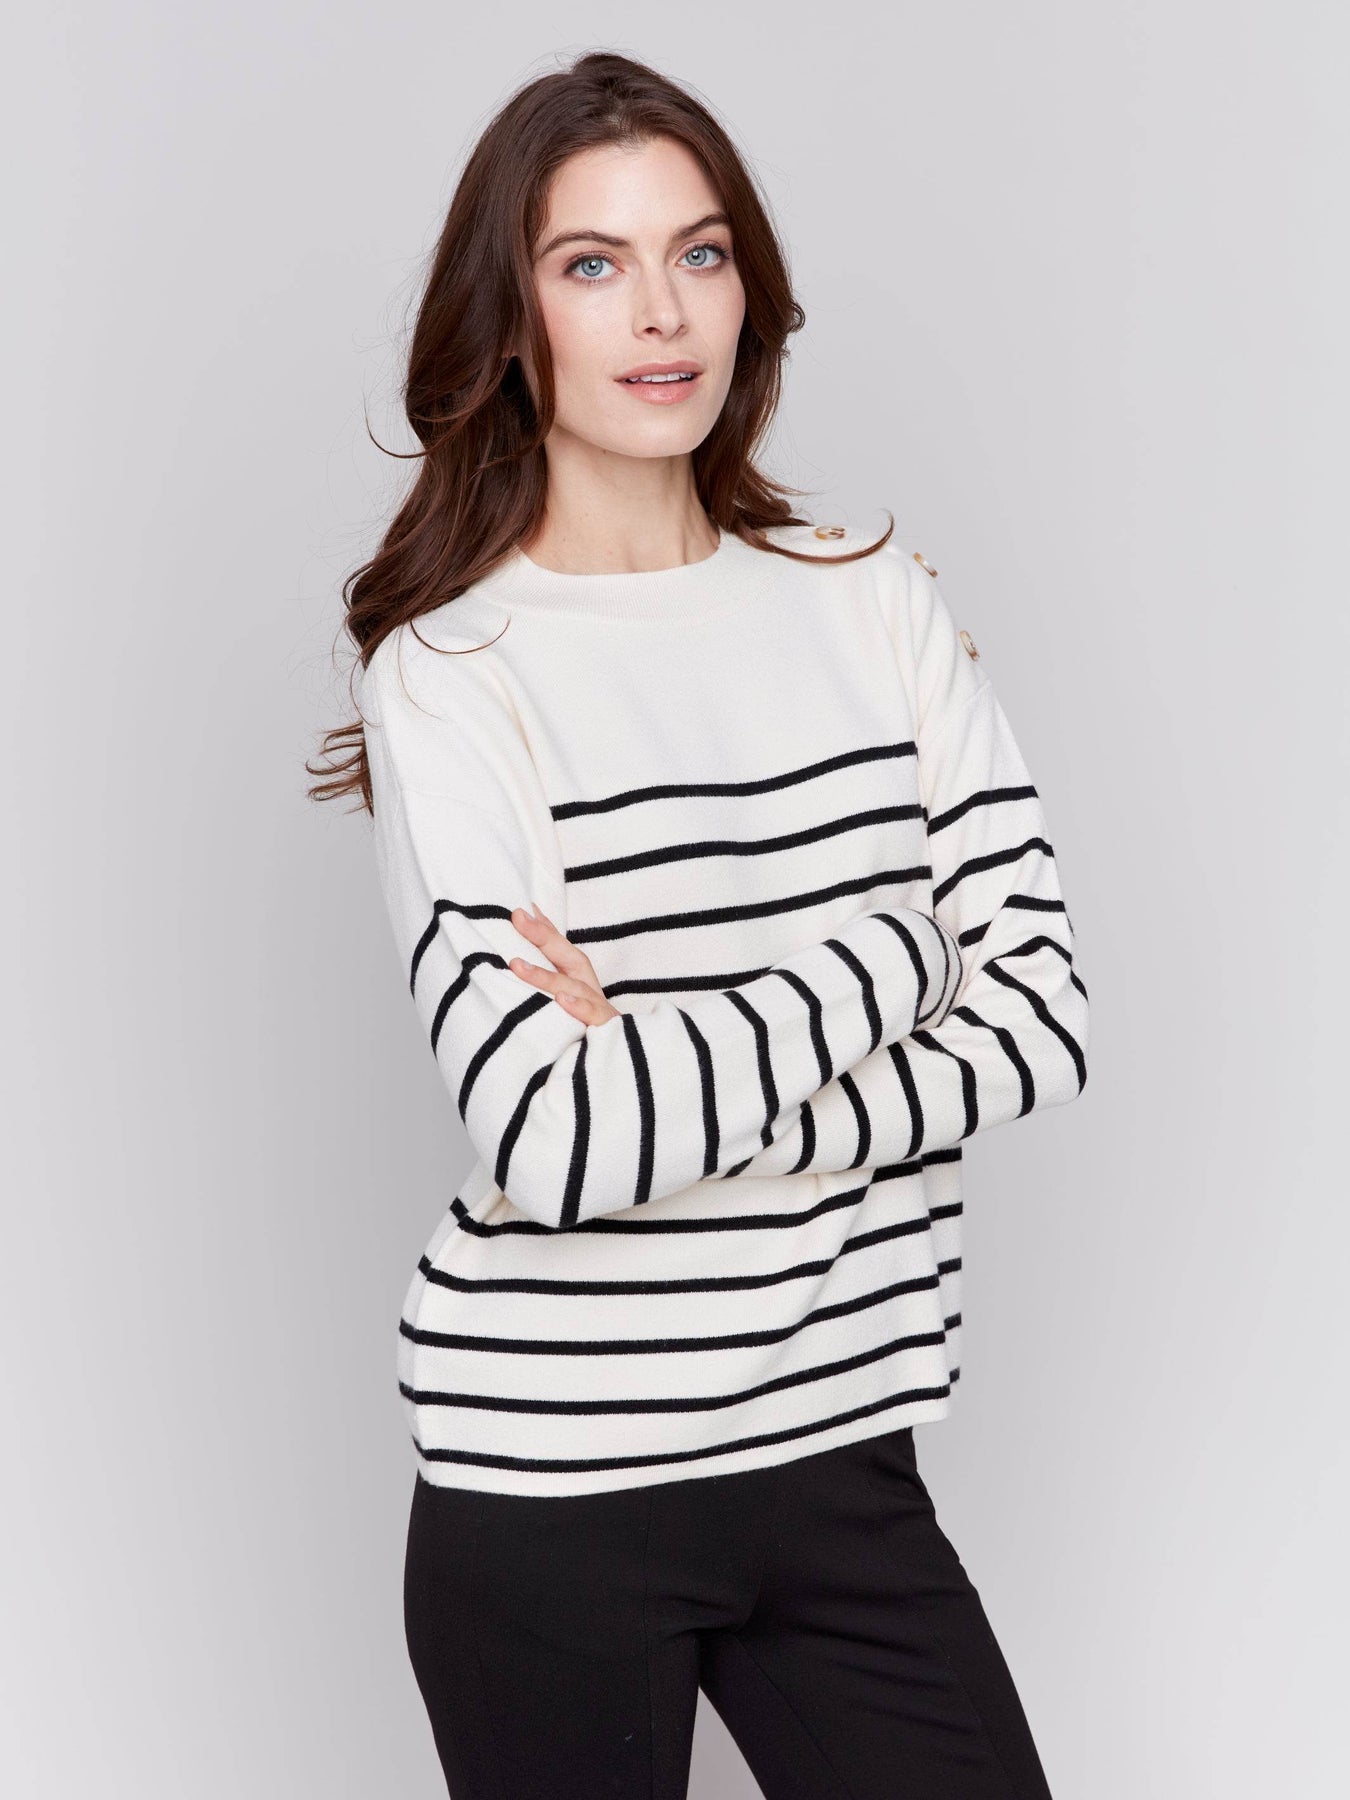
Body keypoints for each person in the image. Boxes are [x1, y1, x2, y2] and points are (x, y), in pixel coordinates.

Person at [309, 48, 1090, 1800]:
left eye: (701, 252)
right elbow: (556, 1139)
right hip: (552, 1486)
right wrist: (904, 953)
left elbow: (1043, 1021)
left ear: (750, 287)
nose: (660, 312)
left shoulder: (866, 596)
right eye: (591, 263)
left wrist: (673, 1068)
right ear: (513, 317)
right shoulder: (453, 670)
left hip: (844, 1446)